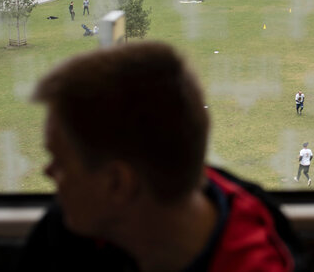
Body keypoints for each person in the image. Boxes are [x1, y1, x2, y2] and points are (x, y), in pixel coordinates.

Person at [21, 42, 297, 272]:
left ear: (118, 183)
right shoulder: (62, 235)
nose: (47, 173)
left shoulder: (258, 261)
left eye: (60, 162)